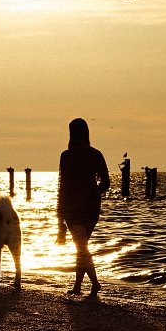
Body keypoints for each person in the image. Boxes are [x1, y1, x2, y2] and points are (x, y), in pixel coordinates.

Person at [56, 118, 111, 297]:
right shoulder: (96, 154)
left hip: (73, 208)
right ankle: (79, 287)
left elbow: (62, 187)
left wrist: (60, 217)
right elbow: (106, 183)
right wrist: (93, 192)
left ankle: (94, 284)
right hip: (91, 208)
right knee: (82, 246)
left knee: (81, 247)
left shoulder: (66, 156)